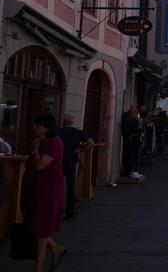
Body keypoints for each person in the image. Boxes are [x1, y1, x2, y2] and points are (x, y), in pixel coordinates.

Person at [22, 114, 68, 272]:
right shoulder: (41, 141)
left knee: (41, 226)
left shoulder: (55, 143)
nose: (35, 128)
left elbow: (41, 165)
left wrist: (35, 150)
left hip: (49, 189)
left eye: (38, 126)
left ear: (47, 128)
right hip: (36, 188)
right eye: (35, 126)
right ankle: (57, 249)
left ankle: (38, 267)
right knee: (36, 223)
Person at [58, 114, 94, 220]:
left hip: (59, 161)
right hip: (71, 161)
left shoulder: (59, 132)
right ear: (72, 122)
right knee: (70, 186)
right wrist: (80, 150)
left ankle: (56, 209)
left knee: (57, 186)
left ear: (63, 122)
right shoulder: (77, 132)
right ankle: (70, 211)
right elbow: (91, 142)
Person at [121, 106, 143, 178]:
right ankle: (132, 171)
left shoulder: (129, 118)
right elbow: (135, 129)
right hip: (133, 140)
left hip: (131, 140)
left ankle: (132, 171)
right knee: (133, 156)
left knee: (133, 156)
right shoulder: (132, 119)